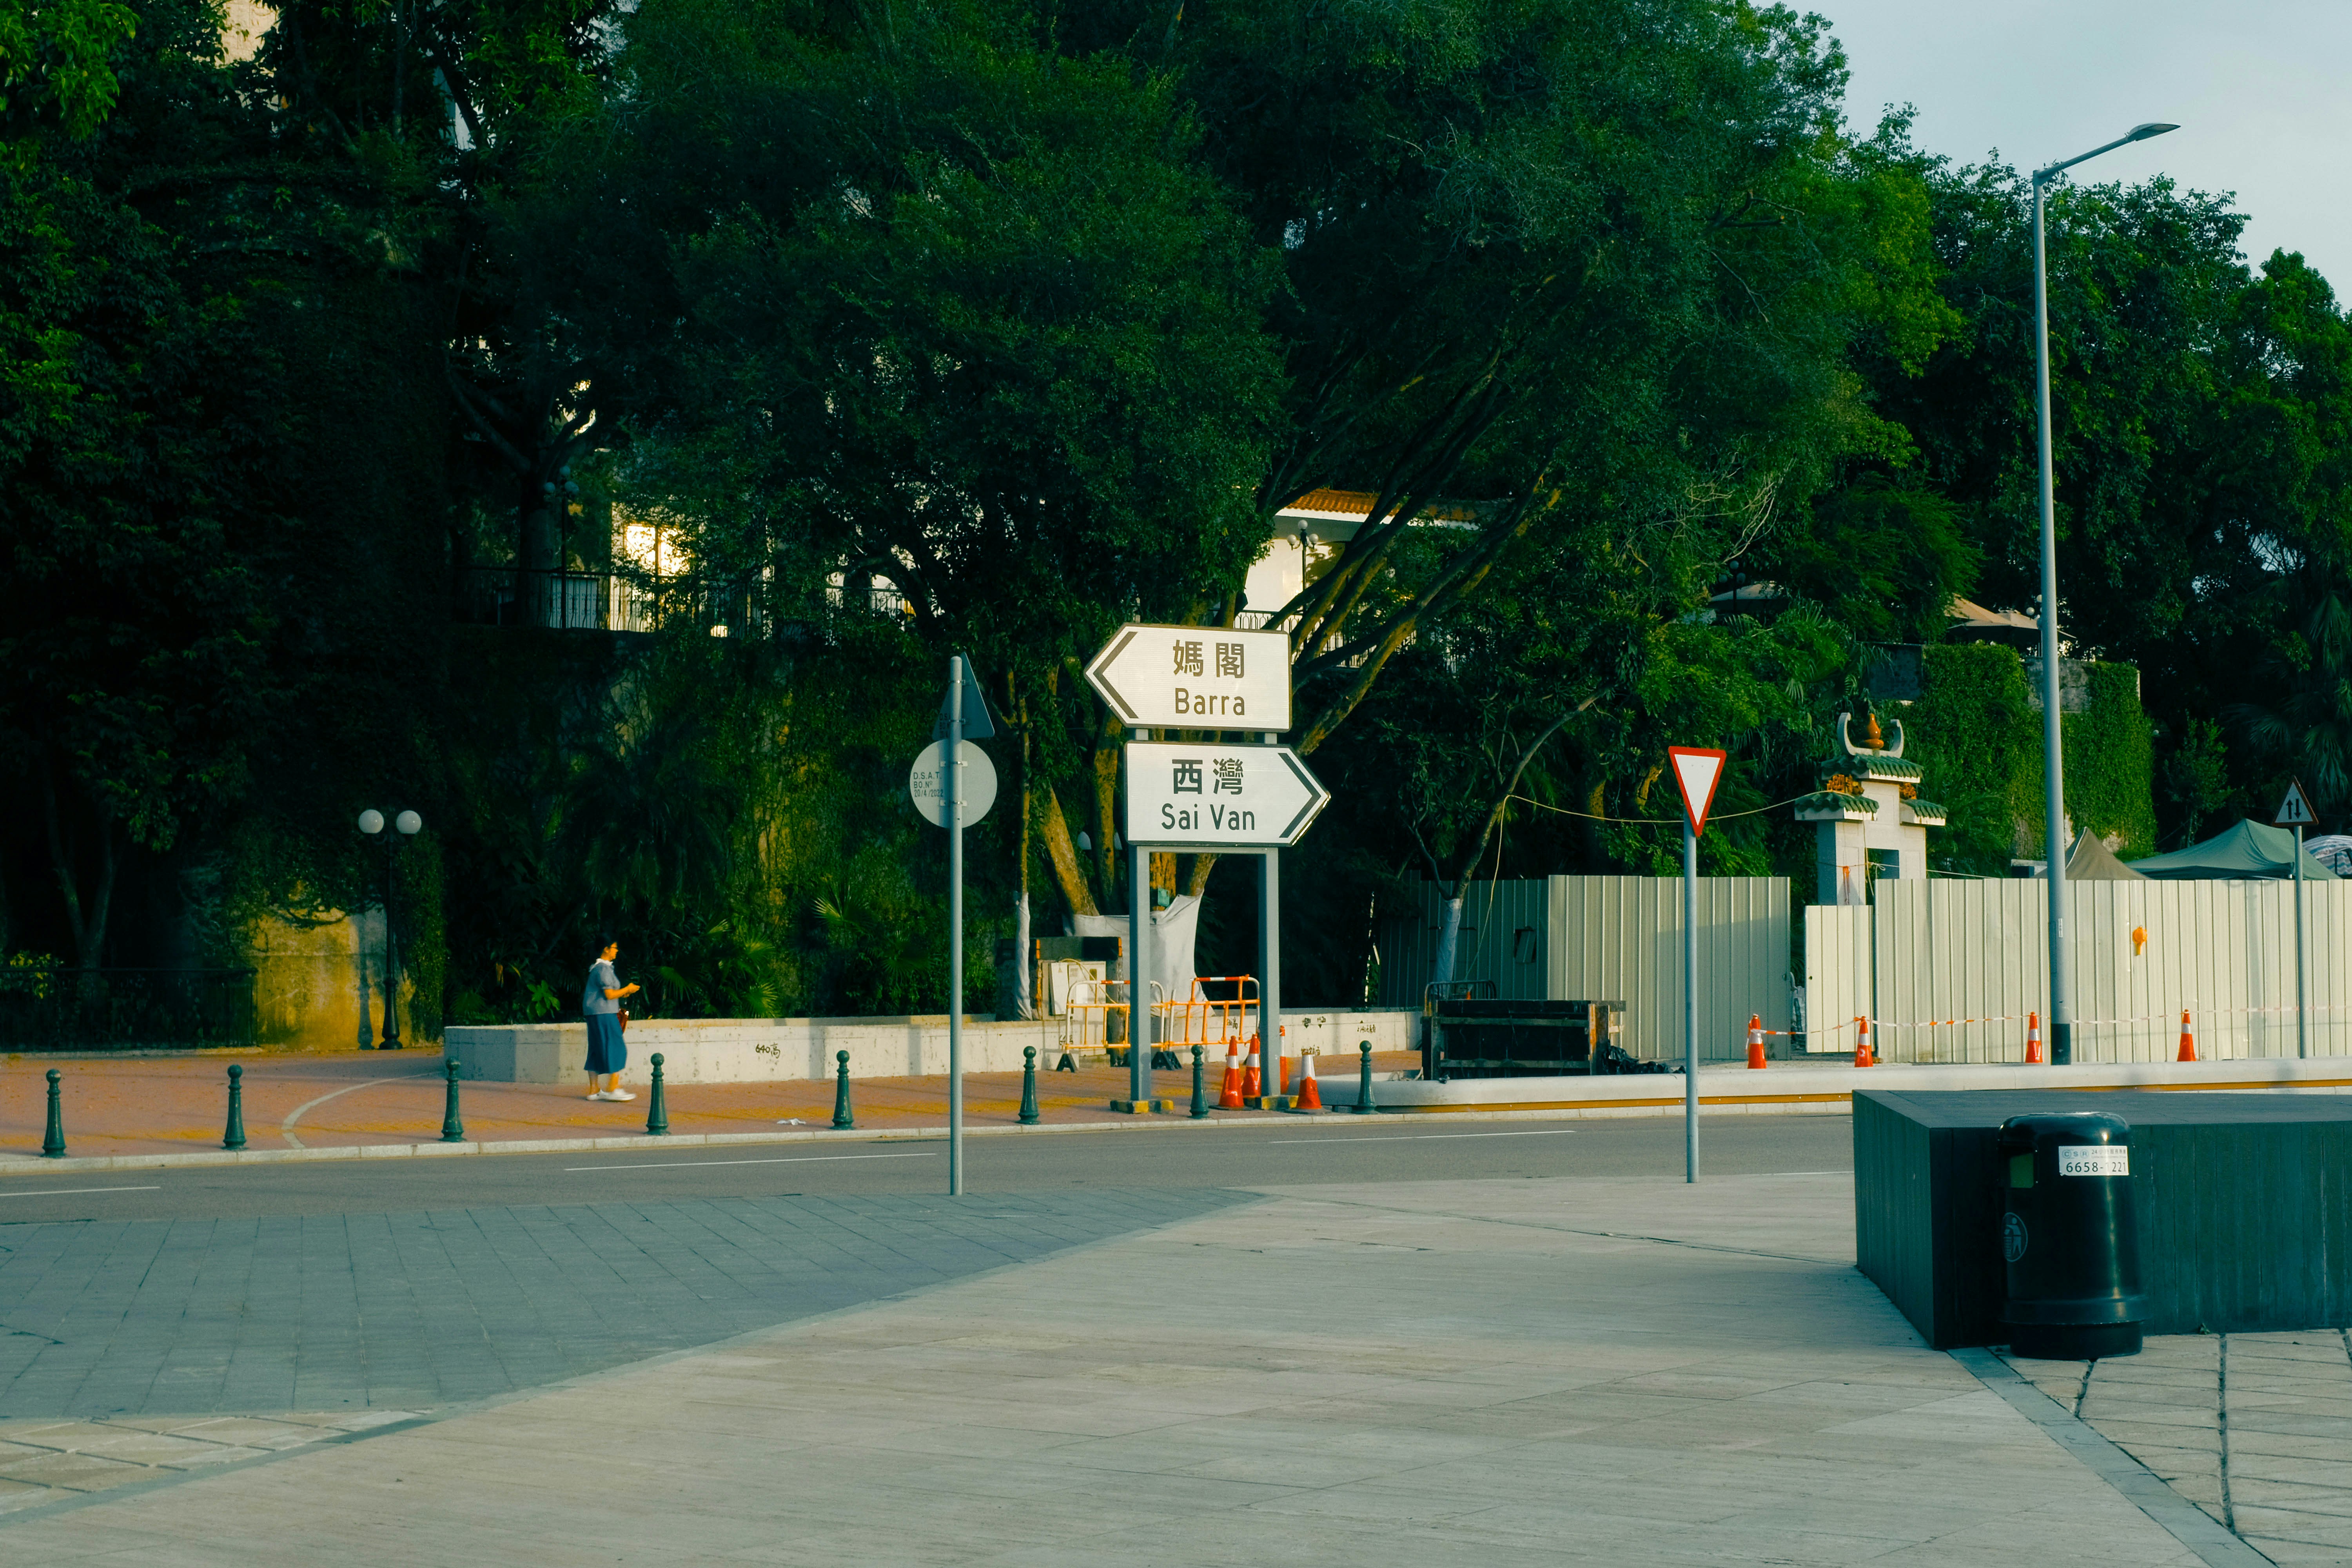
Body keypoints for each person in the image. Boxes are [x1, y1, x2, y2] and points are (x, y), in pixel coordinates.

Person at [583, 936, 640, 1101]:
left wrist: (626, 992)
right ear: (606, 949)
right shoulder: (603, 969)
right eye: (614, 948)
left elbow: (610, 994)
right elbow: (609, 995)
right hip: (604, 1013)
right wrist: (627, 989)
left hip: (594, 1013)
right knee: (616, 1046)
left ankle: (594, 1090)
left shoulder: (598, 968)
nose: (617, 951)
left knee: (596, 1049)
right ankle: (613, 1089)